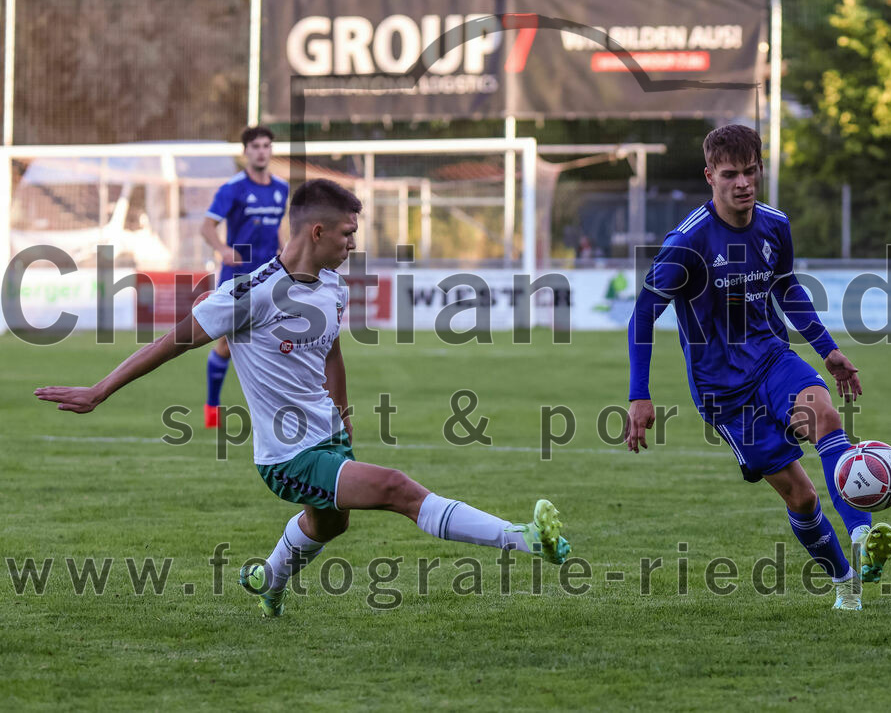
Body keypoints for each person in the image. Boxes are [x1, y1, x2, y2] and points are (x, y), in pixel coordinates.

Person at [36, 179, 570, 618]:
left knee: (328, 525)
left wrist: (342, 413)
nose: (353, 243)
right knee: (395, 488)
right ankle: (523, 538)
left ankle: (269, 579)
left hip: (328, 436)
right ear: (318, 231)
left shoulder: (332, 286)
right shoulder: (250, 294)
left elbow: (332, 354)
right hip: (286, 456)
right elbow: (169, 343)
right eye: (347, 232)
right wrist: (99, 390)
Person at [624, 124, 891, 612]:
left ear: (760, 170)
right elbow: (644, 312)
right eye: (730, 174)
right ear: (710, 176)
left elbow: (787, 288)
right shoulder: (687, 242)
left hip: (772, 357)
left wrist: (828, 349)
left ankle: (862, 535)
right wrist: (638, 395)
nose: (742, 183)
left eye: (750, 171)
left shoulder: (774, 224)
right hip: (722, 392)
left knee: (825, 415)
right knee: (801, 497)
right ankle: (845, 580)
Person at [199, 126, 289, 429]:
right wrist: (223, 249)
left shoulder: (282, 187)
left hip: (272, 276)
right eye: (256, 146)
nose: (262, 151)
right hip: (238, 277)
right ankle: (211, 407)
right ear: (246, 152)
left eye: (266, 145)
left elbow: (277, 226)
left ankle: (277, 411)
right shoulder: (233, 188)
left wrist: (287, 252)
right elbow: (207, 226)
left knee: (279, 341)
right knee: (226, 344)